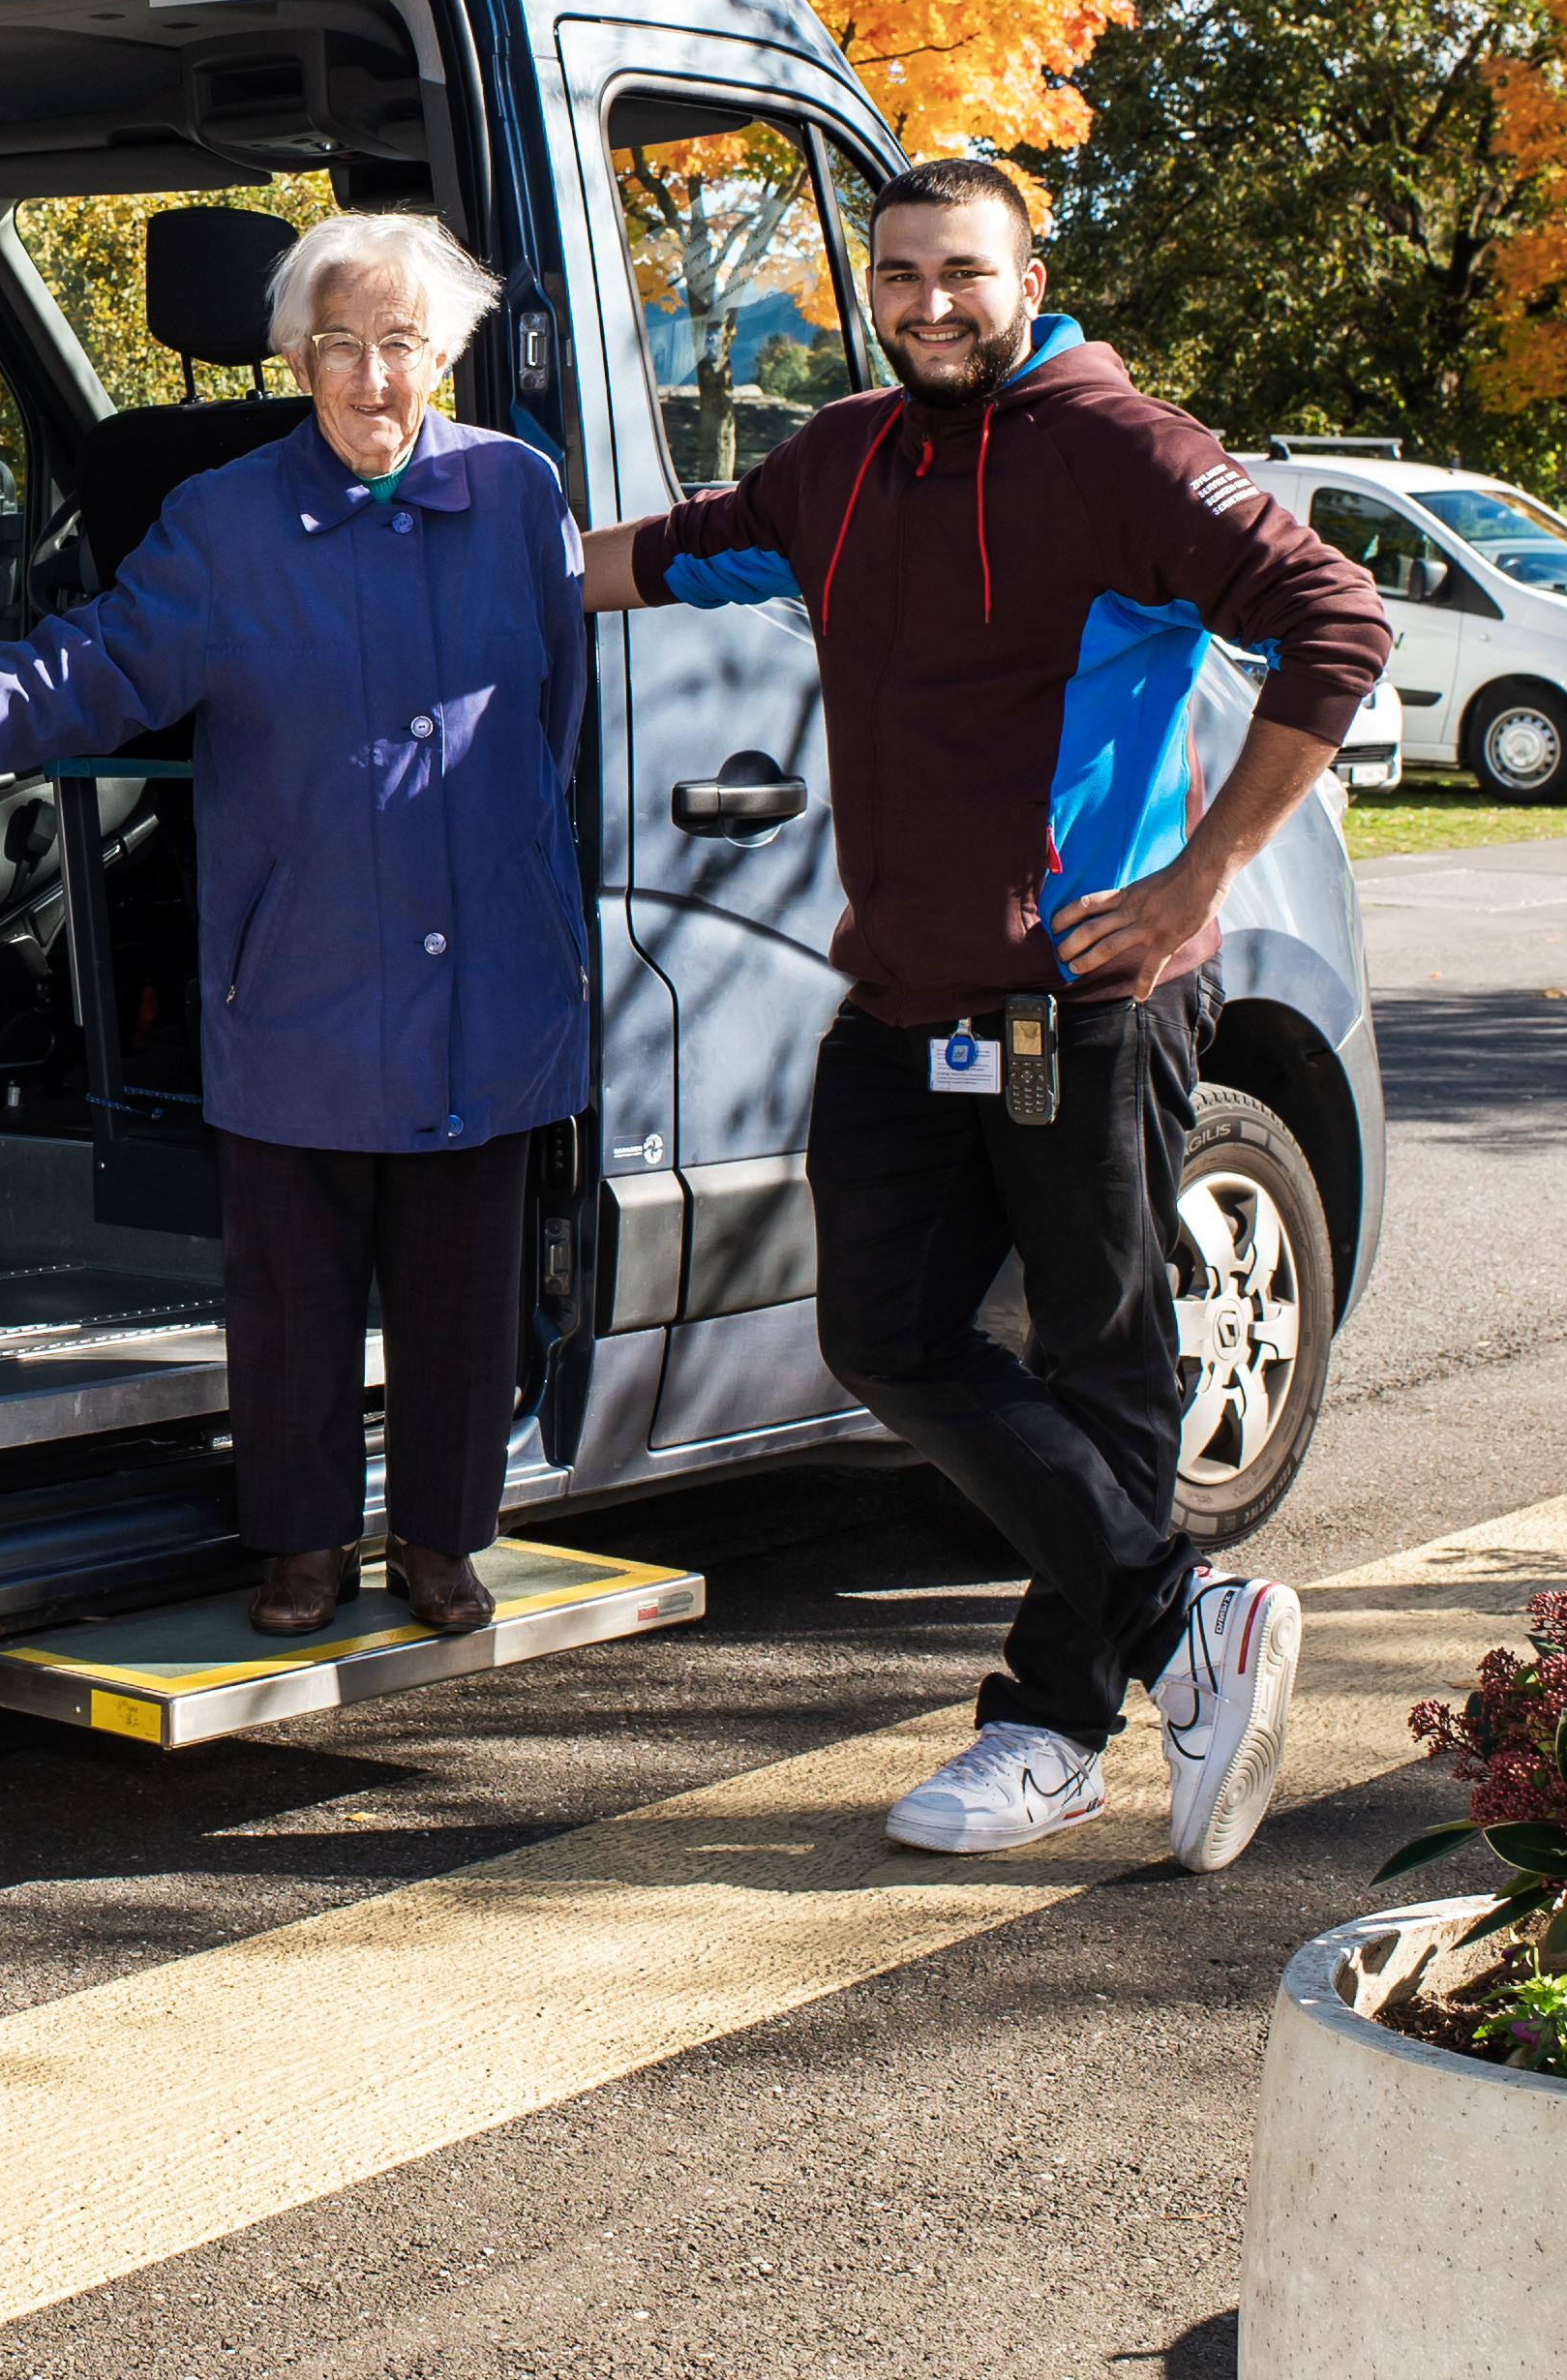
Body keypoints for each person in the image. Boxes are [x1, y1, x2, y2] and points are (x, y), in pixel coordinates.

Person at [584, 158, 1390, 1874]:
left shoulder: (1125, 452)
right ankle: (1190, 1620)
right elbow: (660, 559)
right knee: (885, 1334)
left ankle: (1048, 1727)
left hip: (1083, 1000)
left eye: (962, 271)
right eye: (895, 276)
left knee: (1102, 1358)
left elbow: (1336, 618)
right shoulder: (847, 456)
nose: (928, 302)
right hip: (901, 996)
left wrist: (1197, 878)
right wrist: (423, 543)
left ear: (1032, 272)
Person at [0, 211, 584, 1639]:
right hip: (302, 963)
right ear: (294, 356)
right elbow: (99, 671)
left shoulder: (517, 493)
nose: (371, 378)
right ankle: (301, 1547)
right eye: (337, 346)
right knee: (293, 1295)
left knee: (461, 1288)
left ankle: (445, 1543)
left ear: (444, 350)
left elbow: (558, 710)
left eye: (399, 344)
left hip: (485, 970)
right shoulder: (228, 516)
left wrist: (504, 873)